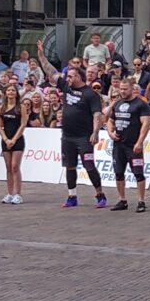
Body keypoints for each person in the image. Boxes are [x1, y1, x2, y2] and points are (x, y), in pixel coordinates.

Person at [37, 39, 108, 208]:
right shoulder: (66, 86)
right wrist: (41, 54)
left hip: (84, 137)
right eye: (67, 76)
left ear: (78, 76)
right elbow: (51, 71)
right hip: (67, 136)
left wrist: (95, 132)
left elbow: (97, 114)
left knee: (89, 165)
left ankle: (99, 194)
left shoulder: (90, 94)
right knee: (69, 167)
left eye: (70, 76)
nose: (66, 78)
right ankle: (72, 196)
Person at [104, 78, 150, 212]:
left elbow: (146, 124)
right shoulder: (117, 103)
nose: (123, 91)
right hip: (118, 145)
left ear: (132, 89)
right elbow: (110, 120)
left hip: (133, 145)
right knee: (118, 173)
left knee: (138, 173)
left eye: (125, 89)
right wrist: (110, 132)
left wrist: (140, 142)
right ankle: (122, 200)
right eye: (121, 89)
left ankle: (141, 201)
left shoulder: (141, 104)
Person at [0, 84, 29, 204]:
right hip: (6, 140)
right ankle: (9, 193)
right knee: (8, 167)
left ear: (16, 93)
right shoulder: (2, 108)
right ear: (5, 93)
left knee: (15, 166)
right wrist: (6, 139)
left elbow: (23, 124)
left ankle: (18, 194)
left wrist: (14, 139)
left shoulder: (21, 107)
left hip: (18, 140)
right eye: (9, 90)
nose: (11, 92)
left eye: (13, 90)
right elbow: (0, 125)